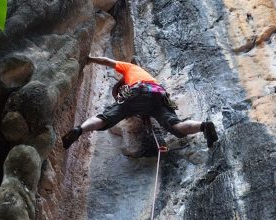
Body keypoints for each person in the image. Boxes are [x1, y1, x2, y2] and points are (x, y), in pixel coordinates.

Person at [62, 55, 218, 149]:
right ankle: (203, 126)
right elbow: (146, 107)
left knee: (105, 118)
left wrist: (89, 59)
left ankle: (79, 130)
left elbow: (106, 61)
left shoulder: (129, 68)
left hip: (138, 90)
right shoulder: (145, 74)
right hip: (160, 93)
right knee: (176, 125)